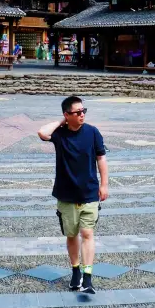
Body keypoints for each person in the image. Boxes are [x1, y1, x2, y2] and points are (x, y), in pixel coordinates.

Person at [38, 95, 109, 295]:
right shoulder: (60, 135)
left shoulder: (93, 132)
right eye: (77, 112)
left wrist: (104, 185)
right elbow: (42, 132)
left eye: (83, 111)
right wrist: (62, 121)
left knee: (87, 233)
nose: (82, 115)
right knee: (71, 235)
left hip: (89, 192)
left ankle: (87, 277)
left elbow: (101, 159)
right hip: (66, 194)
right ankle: (75, 271)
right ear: (67, 115)